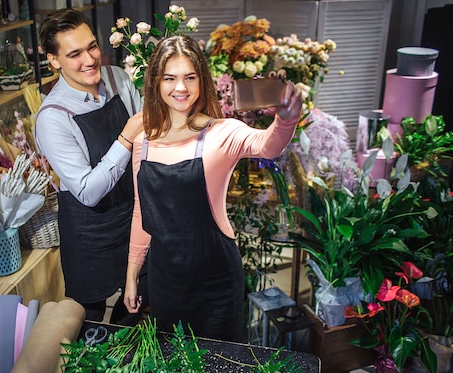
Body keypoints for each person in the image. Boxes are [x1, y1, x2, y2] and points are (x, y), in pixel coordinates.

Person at [123, 35, 302, 341]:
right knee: (174, 369)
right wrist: (132, 275)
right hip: (165, 280)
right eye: (170, 78)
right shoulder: (144, 142)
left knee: (220, 371)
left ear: (201, 80)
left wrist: (286, 117)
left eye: (189, 77)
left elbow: (267, 146)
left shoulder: (222, 133)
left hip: (215, 281)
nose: (181, 88)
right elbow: (143, 212)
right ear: (156, 82)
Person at [35, 9, 147, 323]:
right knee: (91, 322)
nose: (89, 59)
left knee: (135, 308)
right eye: (74, 54)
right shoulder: (53, 117)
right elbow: (87, 192)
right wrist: (125, 137)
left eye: (92, 47)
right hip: (90, 232)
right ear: (53, 59)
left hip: (133, 214)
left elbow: (146, 140)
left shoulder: (118, 78)